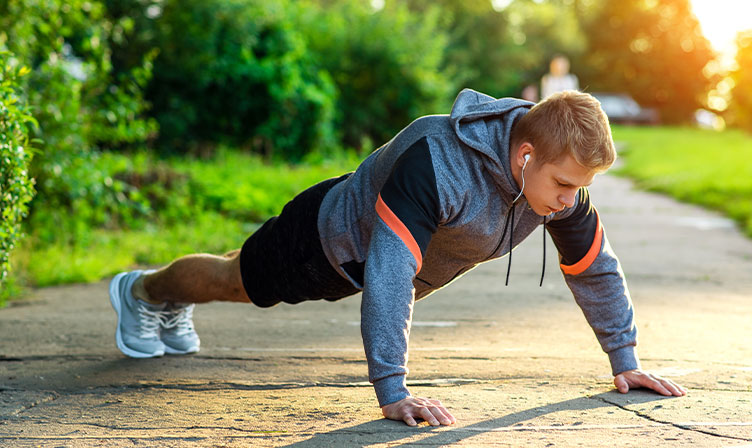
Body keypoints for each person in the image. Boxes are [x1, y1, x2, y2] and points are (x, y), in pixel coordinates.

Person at [109, 88, 687, 428]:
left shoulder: (559, 185)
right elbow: (389, 270)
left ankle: (156, 297)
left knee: (234, 270)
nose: (569, 200)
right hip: (327, 242)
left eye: (578, 188)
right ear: (526, 155)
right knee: (236, 279)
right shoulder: (437, 159)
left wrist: (625, 358)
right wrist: (392, 390)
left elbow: (594, 268)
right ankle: (143, 292)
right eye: (563, 184)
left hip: (386, 262)